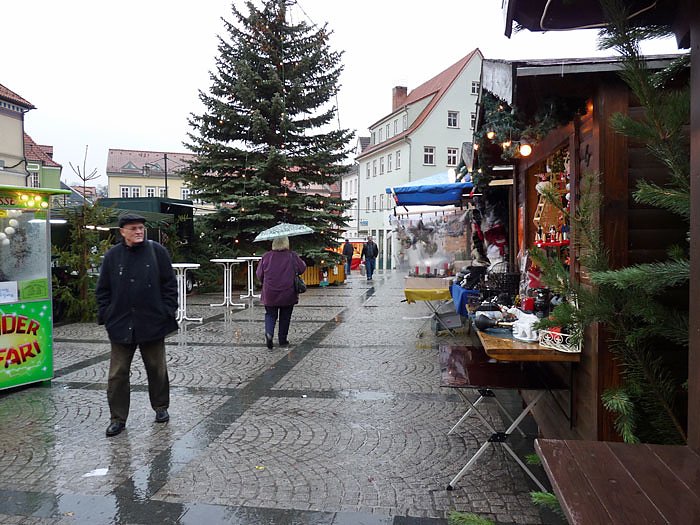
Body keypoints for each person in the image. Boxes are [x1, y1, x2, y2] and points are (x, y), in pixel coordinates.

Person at [96, 213, 179, 437]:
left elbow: (170, 284)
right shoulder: (113, 256)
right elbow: (103, 289)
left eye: (141, 227)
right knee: (117, 374)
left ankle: (161, 407)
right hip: (121, 324)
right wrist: (107, 314)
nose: (139, 231)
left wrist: (167, 310)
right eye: (133, 228)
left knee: (157, 368)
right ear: (122, 231)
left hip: (152, 321)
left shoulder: (157, 251)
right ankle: (117, 418)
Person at [256, 235, 307, 350]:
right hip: (288, 292)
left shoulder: (266, 256)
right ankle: (282, 340)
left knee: (270, 314)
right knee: (285, 316)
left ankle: (269, 333)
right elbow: (302, 268)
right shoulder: (292, 255)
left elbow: (259, 274)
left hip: (270, 293)